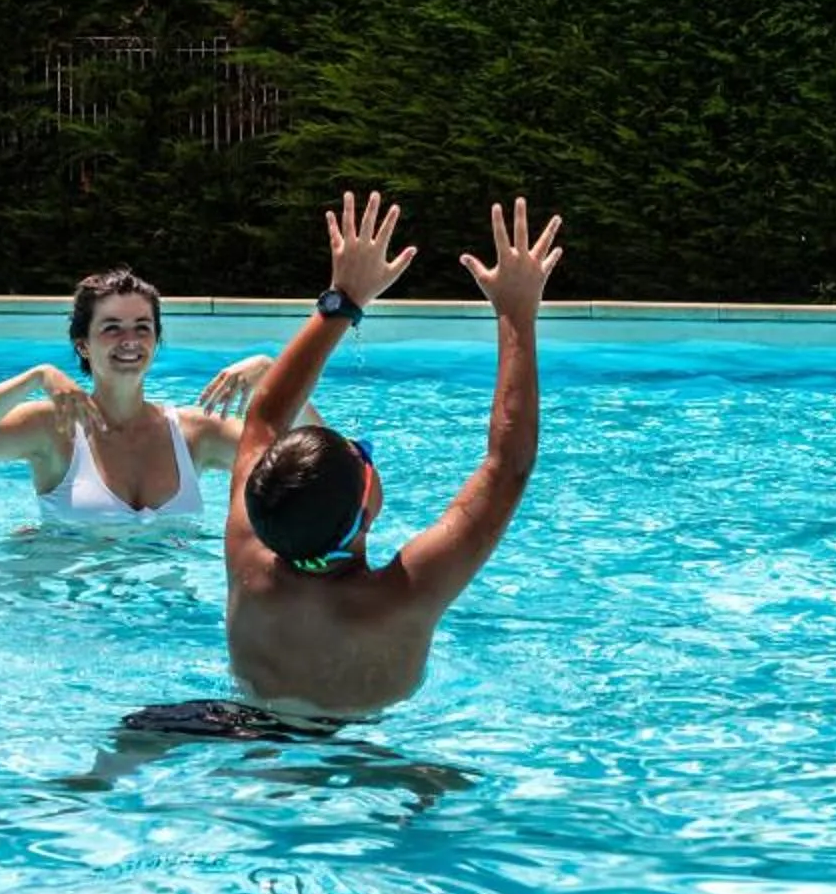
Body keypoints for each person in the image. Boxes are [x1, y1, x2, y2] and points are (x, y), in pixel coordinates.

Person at [117, 189, 560, 741]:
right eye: (364, 456)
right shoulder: (404, 594)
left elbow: (265, 417)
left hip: (243, 725)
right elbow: (508, 465)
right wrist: (517, 316)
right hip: (368, 747)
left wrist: (342, 298)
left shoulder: (249, 558)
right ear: (365, 511)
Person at [0, 267, 285, 523]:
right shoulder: (55, 427)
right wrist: (33, 378)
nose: (129, 340)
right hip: (73, 615)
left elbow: (320, 465)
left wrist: (274, 373)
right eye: (112, 328)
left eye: (142, 328)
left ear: (156, 342)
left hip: (167, 618)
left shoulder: (196, 433)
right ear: (83, 345)